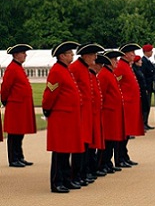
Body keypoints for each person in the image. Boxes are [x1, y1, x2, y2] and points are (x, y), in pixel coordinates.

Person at [42, 41, 83, 193]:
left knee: (67, 150)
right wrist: (47, 109)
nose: (72, 55)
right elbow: (50, 93)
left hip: (68, 118)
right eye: (70, 53)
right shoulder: (57, 71)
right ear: (62, 56)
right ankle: (57, 182)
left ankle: (66, 179)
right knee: (60, 152)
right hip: (61, 117)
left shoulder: (66, 70)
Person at [70, 43, 105, 186]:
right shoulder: (75, 68)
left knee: (86, 146)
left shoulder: (84, 69)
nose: (95, 59)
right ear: (86, 56)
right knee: (80, 146)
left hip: (88, 113)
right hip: (80, 113)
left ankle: (82, 173)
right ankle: (77, 174)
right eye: (93, 55)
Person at [1, 44, 36, 168]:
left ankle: (19, 156)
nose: (25, 55)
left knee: (19, 134)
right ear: (16, 55)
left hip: (20, 106)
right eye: (23, 53)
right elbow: (5, 87)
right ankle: (13, 159)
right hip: (15, 106)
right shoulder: (12, 69)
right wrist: (5, 101)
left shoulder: (18, 68)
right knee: (14, 134)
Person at [114, 43, 144, 167]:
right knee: (123, 133)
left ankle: (124, 156)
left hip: (130, 104)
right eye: (132, 53)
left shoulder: (127, 65)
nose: (134, 55)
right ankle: (120, 157)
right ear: (125, 54)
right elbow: (117, 84)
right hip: (125, 104)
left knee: (127, 133)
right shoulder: (121, 66)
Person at [97, 50, 125, 173]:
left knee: (112, 140)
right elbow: (101, 94)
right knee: (107, 140)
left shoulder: (110, 73)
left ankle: (108, 162)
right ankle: (102, 163)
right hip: (108, 113)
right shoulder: (104, 74)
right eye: (114, 60)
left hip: (113, 112)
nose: (117, 62)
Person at [132, 55, 150, 131]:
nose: (141, 62)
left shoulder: (139, 69)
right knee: (142, 108)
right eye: (139, 61)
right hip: (140, 91)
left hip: (143, 90)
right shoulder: (134, 70)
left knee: (145, 107)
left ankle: (144, 123)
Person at [141, 44, 155, 129]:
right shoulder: (144, 61)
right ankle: (143, 122)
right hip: (146, 86)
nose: (152, 52)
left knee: (148, 105)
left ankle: (145, 122)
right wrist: (145, 87)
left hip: (149, 86)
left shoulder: (148, 61)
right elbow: (143, 76)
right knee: (145, 105)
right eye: (150, 51)